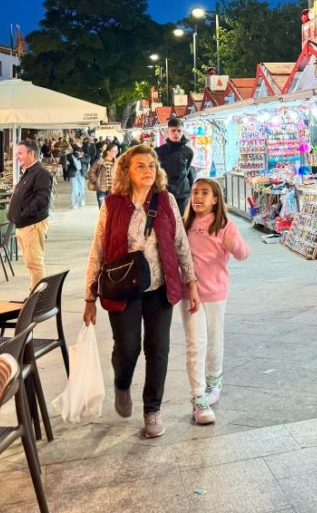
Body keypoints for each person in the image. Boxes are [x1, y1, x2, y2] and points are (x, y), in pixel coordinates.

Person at [83, 145, 201, 439]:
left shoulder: (167, 200)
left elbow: (179, 243)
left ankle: (152, 410)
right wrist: (89, 295)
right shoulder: (111, 204)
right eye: (140, 166)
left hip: (160, 288)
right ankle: (122, 382)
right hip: (122, 287)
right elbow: (97, 249)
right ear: (126, 171)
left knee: (158, 349)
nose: (148, 170)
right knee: (128, 348)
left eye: (151, 165)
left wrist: (191, 282)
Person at [181, 177, 249, 426]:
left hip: (216, 293)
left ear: (216, 199)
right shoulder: (185, 223)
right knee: (195, 344)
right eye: (195, 192)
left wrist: (234, 244)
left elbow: (243, 253)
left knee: (213, 340)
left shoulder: (224, 225)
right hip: (190, 295)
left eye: (204, 193)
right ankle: (198, 396)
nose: (197, 197)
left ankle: (214, 381)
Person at [9, 138, 54, 290]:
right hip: (23, 224)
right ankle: (34, 295)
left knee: (35, 262)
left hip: (31, 224)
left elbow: (42, 199)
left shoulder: (41, 173)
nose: (17, 157)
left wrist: (24, 214)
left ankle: (36, 299)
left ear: (32, 153)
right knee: (30, 263)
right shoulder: (28, 172)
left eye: (20, 153)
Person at [156, 118, 195, 216]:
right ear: (168, 131)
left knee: (183, 224)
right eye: (173, 130)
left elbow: (187, 171)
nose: (176, 133)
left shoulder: (188, 152)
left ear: (182, 132)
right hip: (164, 195)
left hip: (183, 196)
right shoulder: (158, 152)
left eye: (179, 131)